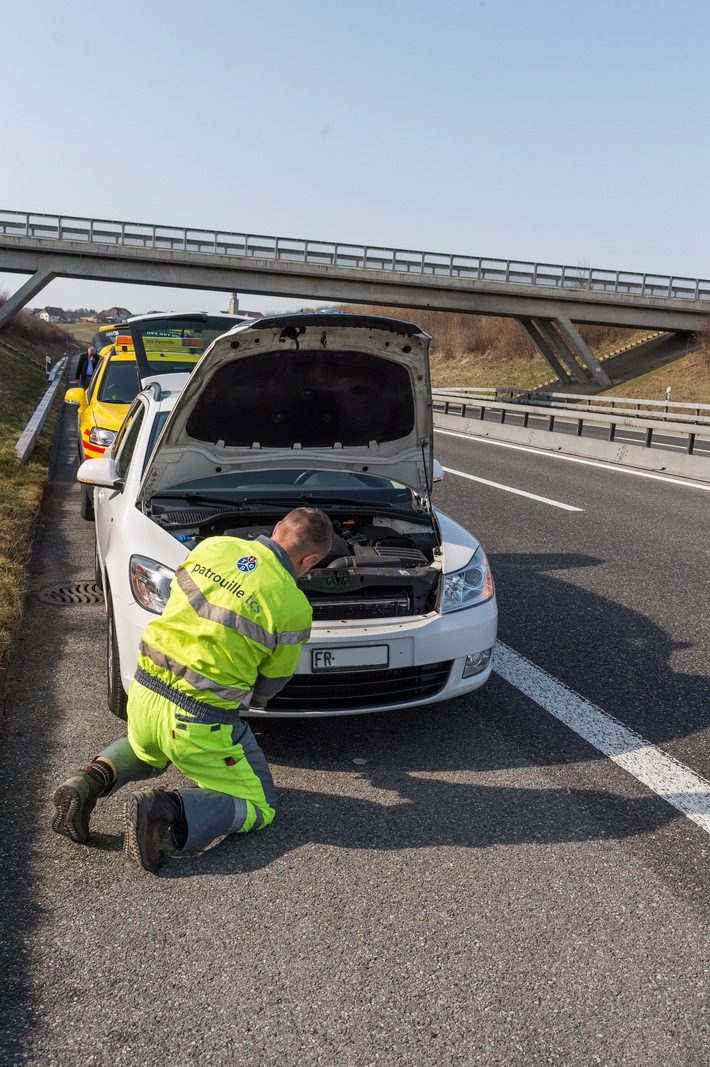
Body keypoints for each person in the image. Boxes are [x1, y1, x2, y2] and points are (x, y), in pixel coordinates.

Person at [52, 507, 333, 873]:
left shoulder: (213, 547)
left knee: (146, 749)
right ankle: (163, 809)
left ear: (277, 527)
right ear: (310, 560)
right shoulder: (293, 606)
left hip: (145, 691)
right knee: (260, 806)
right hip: (198, 722)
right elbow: (269, 684)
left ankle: (86, 782)